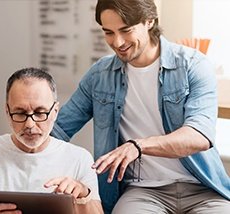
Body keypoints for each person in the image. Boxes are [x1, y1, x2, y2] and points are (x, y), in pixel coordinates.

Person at [51, 0, 230, 213]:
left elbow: (199, 136)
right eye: (108, 32)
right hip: (142, 191)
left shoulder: (193, 65)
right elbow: (58, 129)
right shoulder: (100, 76)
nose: (117, 42)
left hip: (203, 189)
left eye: (126, 30)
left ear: (149, 21)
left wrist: (138, 146)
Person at [0, 67, 104, 214]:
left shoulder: (79, 158)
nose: (30, 124)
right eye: (20, 113)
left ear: (55, 111)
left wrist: (83, 194)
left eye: (40, 113)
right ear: (7, 111)